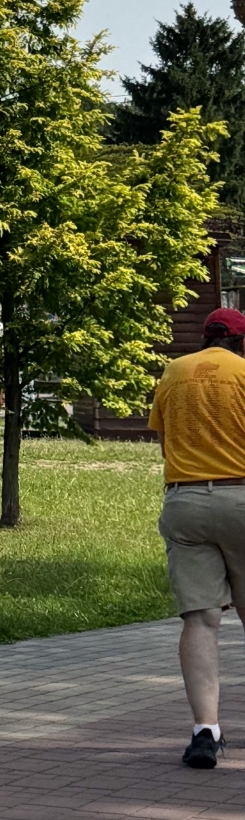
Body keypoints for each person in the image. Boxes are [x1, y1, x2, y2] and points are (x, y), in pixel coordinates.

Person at [150, 306, 245, 768]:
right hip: (242, 497)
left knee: (201, 619)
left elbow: (165, 440)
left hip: (185, 500)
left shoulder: (174, 372)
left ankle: (205, 731)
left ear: (206, 337)